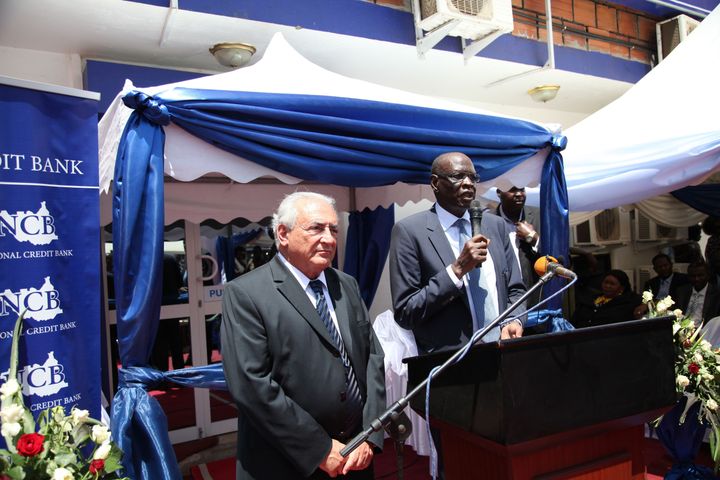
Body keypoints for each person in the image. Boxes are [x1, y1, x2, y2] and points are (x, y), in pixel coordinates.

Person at [221, 192, 385, 480]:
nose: (329, 238)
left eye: (334, 229)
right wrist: (319, 449)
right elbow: (252, 385)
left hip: (356, 458)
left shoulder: (346, 285)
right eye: (316, 228)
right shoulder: (246, 294)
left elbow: (372, 358)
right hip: (287, 463)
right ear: (283, 234)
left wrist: (371, 434)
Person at [389, 152, 526, 355]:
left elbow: (516, 289)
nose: (468, 183)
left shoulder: (496, 226)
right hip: (450, 365)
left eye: (473, 177)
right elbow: (406, 312)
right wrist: (457, 270)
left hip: (502, 352)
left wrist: (514, 319)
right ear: (435, 183)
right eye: (458, 176)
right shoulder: (410, 232)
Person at [491, 186, 542, 313]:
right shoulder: (487, 221)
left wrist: (533, 238)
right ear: (499, 192)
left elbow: (559, 257)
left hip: (536, 304)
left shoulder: (540, 216)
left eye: (522, 189)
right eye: (512, 190)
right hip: (501, 304)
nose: (519, 194)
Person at [571, 270, 642, 328]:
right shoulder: (590, 299)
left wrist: (644, 306)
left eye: (612, 284)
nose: (607, 286)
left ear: (621, 288)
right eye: (606, 282)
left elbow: (648, 301)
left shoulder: (628, 301)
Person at [634, 253, 690, 318]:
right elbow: (646, 301)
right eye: (659, 267)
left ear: (671, 265)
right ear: (655, 269)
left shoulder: (682, 279)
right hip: (654, 313)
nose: (663, 268)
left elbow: (680, 300)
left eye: (665, 265)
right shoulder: (651, 283)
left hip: (673, 311)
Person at [674, 261, 720, 327]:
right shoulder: (682, 291)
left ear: (708, 275)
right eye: (693, 276)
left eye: (700, 275)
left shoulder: (716, 293)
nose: (696, 279)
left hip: (704, 330)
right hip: (680, 328)